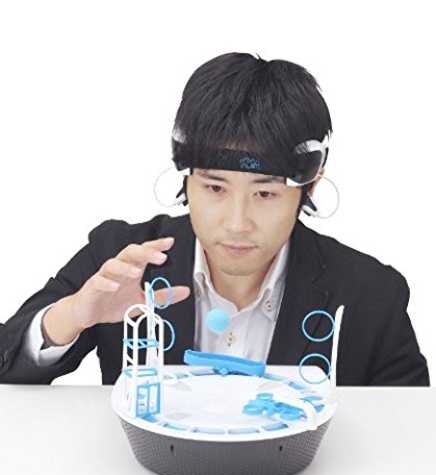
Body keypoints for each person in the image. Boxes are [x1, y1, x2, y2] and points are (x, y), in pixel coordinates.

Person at [0, 52, 430, 386]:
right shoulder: (121, 258)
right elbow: (7, 362)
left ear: (309, 187)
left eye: (265, 193)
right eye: (215, 188)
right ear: (187, 180)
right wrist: (73, 314)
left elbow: (412, 437)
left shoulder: (371, 295)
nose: (237, 223)